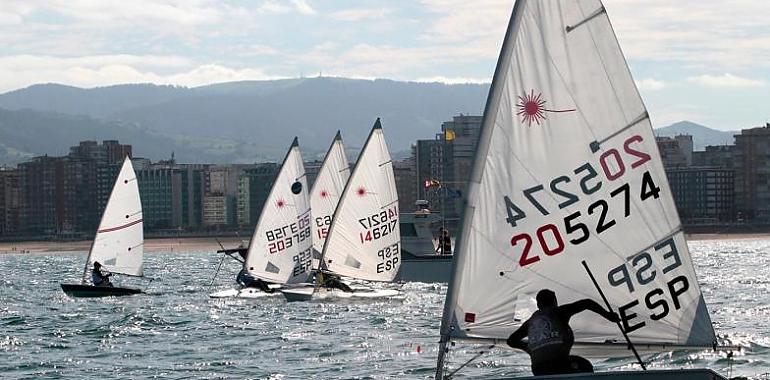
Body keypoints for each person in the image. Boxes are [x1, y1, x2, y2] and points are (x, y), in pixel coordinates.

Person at [506, 289, 620, 376]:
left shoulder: (530, 322)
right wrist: (608, 316)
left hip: (538, 370)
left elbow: (511, 341)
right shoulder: (559, 312)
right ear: (554, 301)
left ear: (538, 305)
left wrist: (529, 348)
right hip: (560, 365)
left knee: (574, 362)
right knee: (585, 365)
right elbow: (587, 303)